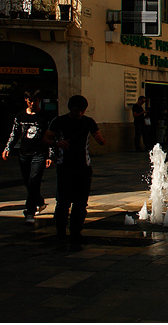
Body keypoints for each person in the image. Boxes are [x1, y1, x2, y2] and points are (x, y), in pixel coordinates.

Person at [43, 95, 105, 243]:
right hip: (65, 166)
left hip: (84, 166)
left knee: (81, 203)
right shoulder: (59, 121)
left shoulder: (88, 122)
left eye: (82, 111)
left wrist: (100, 139)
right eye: (77, 111)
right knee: (63, 202)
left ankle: (76, 231)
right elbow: (46, 138)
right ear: (70, 108)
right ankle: (60, 230)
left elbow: (100, 137)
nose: (80, 114)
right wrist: (57, 143)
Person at [2, 91, 54, 224]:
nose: (33, 103)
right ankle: (39, 201)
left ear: (39, 100)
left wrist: (50, 155)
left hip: (39, 153)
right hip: (24, 153)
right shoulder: (20, 115)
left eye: (35, 100)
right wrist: (8, 147)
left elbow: (51, 136)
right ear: (26, 100)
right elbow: (14, 133)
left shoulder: (45, 116)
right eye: (30, 100)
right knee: (28, 182)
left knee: (34, 181)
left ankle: (29, 211)